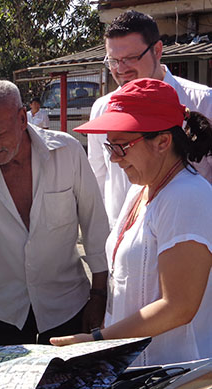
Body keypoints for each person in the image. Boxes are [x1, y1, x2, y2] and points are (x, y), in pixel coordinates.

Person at [0, 80, 110, 356]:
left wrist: (99, 294)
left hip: (68, 304)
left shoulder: (67, 153)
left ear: (21, 118)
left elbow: (95, 225)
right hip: (2, 310)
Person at [51, 78, 212, 367]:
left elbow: (178, 307)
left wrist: (99, 340)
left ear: (163, 141)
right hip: (140, 368)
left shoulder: (187, 197)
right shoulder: (140, 189)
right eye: (109, 146)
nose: (113, 159)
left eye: (121, 147)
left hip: (175, 374)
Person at [88, 10, 212, 229]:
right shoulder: (102, 109)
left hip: (189, 241)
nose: (121, 69)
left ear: (157, 50)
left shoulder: (203, 102)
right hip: (124, 243)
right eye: (114, 61)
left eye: (130, 58)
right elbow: (97, 180)